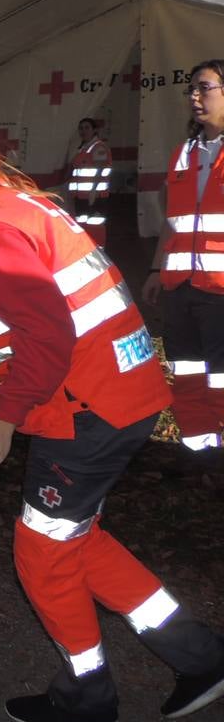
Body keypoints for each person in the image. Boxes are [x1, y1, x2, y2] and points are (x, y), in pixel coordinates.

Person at [0, 95, 224, 722]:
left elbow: (47, 330)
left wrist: (3, 421)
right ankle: (202, 657)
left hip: (84, 405)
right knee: (75, 540)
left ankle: (88, 696)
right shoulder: (8, 199)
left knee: (41, 554)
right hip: (122, 393)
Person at [141, 59, 224, 452]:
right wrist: (157, 268)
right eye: (190, 90)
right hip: (180, 289)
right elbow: (173, 222)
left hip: (221, 292)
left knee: (221, 379)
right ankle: (199, 453)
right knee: (187, 374)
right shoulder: (183, 153)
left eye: (204, 88)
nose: (194, 97)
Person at [66, 117, 112, 246]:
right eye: (81, 128)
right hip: (80, 197)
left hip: (95, 197)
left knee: (95, 226)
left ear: (94, 130)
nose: (83, 131)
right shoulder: (82, 149)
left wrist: (93, 191)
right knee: (82, 225)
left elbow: (100, 168)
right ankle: (88, 250)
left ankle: (99, 252)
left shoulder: (98, 147)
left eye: (87, 128)